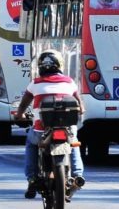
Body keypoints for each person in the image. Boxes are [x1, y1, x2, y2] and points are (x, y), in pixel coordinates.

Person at [14, 50, 85, 199]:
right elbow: (81, 105)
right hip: (68, 129)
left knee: (31, 143)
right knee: (74, 144)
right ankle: (78, 176)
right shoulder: (69, 82)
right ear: (60, 65)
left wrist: (20, 115)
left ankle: (32, 178)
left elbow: (23, 104)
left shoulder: (35, 84)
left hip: (42, 131)